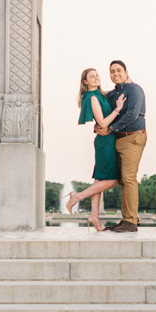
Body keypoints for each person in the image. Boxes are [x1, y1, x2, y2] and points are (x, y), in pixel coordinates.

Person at [65, 68, 125, 231]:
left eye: (97, 75)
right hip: (105, 142)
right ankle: (77, 196)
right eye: (92, 77)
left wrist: (128, 82)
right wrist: (118, 109)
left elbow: (114, 90)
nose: (96, 78)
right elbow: (103, 123)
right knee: (112, 181)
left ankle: (94, 217)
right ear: (85, 82)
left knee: (99, 181)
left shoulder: (99, 94)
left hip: (106, 140)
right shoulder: (91, 97)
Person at [96, 60, 146, 232]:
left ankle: (130, 222)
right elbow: (102, 108)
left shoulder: (134, 89)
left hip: (133, 137)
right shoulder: (112, 94)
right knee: (123, 180)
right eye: (112, 72)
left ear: (126, 72)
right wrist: (99, 126)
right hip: (117, 138)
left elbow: (133, 114)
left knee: (129, 178)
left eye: (118, 70)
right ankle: (128, 219)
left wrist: (110, 128)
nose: (115, 74)